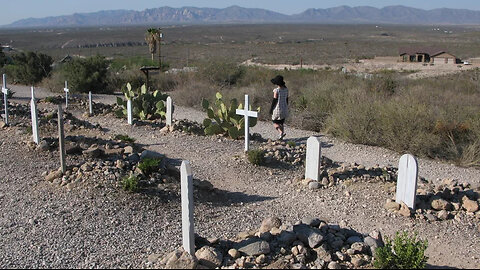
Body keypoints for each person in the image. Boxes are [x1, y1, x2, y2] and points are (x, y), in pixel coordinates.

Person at [269, 75, 289, 140]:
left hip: (277, 108)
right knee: (281, 122)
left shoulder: (276, 90)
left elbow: (274, 100)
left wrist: (271, 109)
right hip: (284, 108)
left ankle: (280, 132)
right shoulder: (286, 89)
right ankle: (282, 135)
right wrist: (286, 106)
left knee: (274, 122)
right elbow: (287, 99)